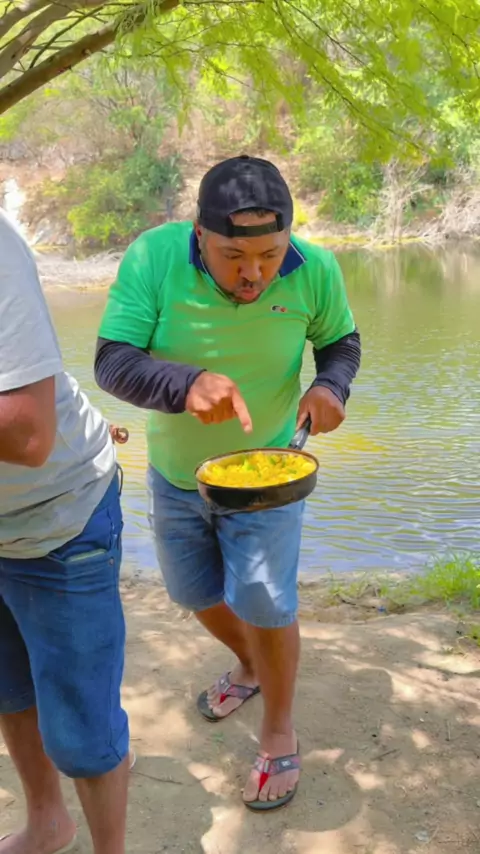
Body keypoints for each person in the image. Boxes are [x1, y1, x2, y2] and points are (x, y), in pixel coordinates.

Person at [95, 155, 361, 811]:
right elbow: (113, 361)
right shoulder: (154, 258)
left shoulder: (316, 269)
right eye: (233, 256)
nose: (253, 274)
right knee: (193, 592)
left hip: (270, 474)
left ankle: (278, 730)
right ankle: (250, 665)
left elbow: (341, 342)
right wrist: (184, 384)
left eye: (270, 255)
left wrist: (331, 386)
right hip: (177, 475)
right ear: (199, 234)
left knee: (267, 601)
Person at [0, 209, 130, 854]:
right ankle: (48, 822)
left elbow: (27, 432)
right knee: (9, 688)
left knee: (82, 733)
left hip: (59, 515)